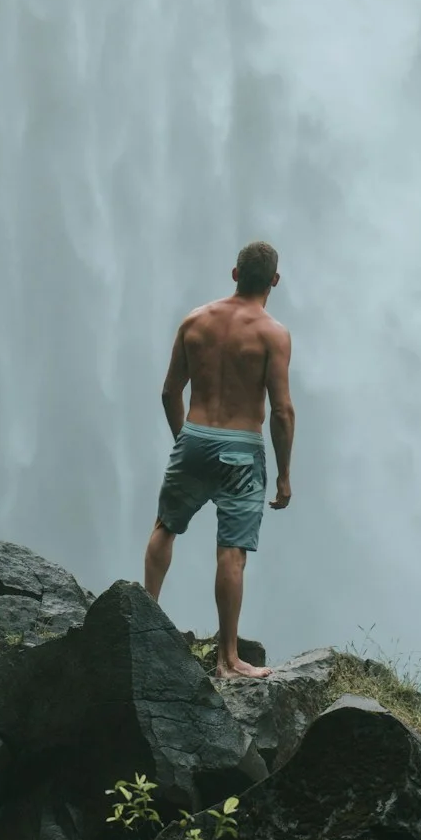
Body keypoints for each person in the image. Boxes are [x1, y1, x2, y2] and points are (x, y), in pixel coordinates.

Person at [143, 240, 295, 679]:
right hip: (241, 450)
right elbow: (282, 411)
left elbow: (170, 391)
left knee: (164, 528)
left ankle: (142, 621)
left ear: (233, 274)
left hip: (193, 437)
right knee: (231, 554)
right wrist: (284, 475)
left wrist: (184, 442)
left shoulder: (195, 321)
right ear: (274, 281)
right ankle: (228, 659)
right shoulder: (272, 335)